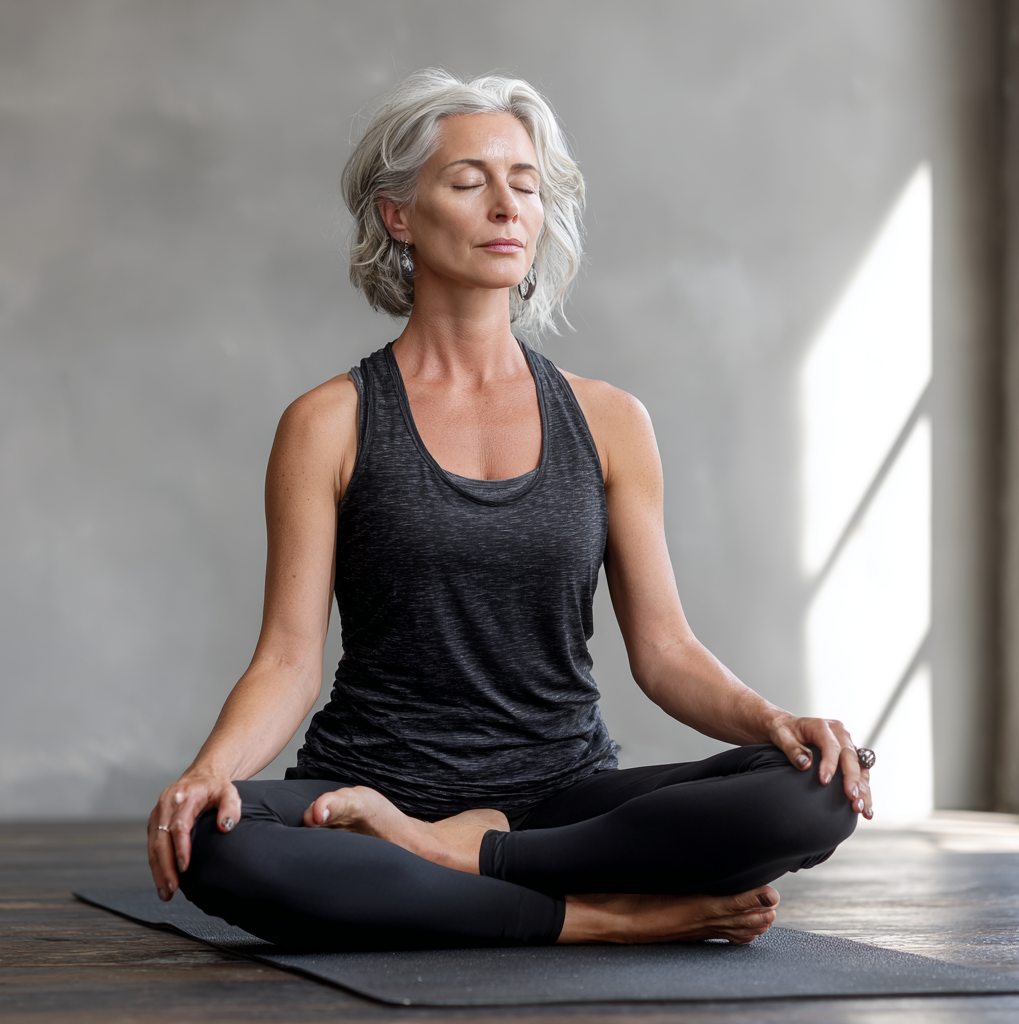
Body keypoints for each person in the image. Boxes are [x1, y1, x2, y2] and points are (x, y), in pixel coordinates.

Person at [147, 70, 872, 951]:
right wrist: (209, 775)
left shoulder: (609, 421)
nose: (506, 206)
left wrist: (775, 723)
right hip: (371, 785)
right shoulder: (328, 423)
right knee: (214, 847)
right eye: (468, 182)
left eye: (524, 184)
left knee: (817, 787)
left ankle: (466, 864)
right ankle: (600, 915)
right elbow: (290, 661)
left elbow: (665, 651)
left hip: (561, 794)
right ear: (398, 215)